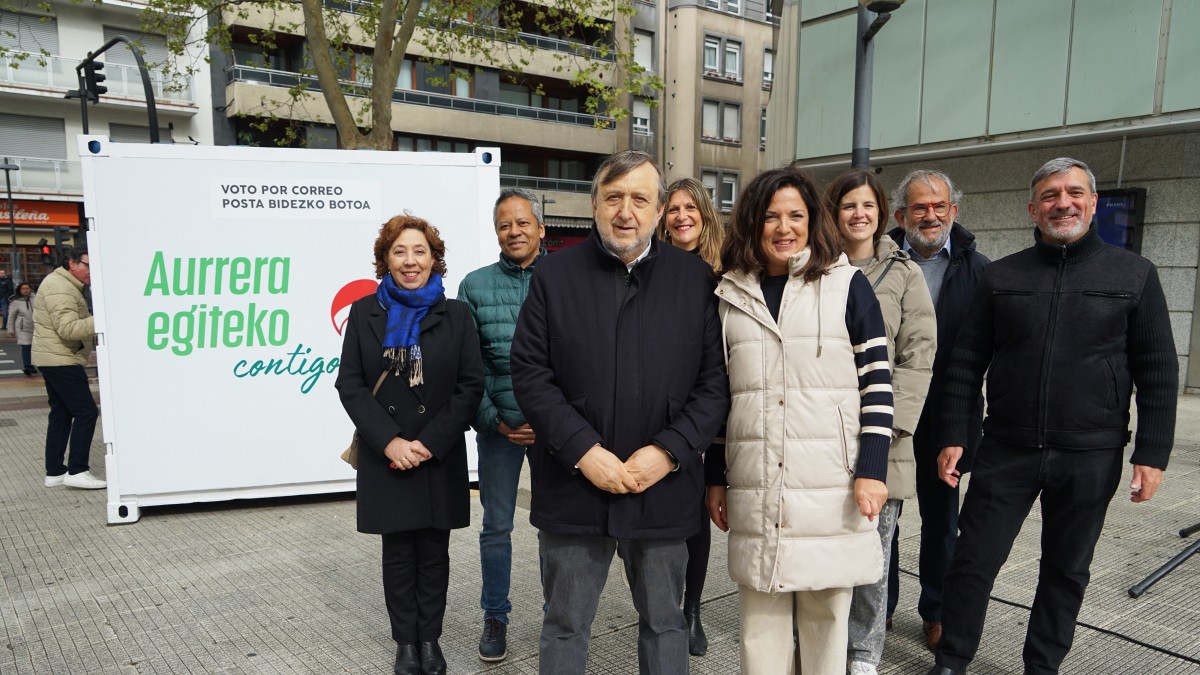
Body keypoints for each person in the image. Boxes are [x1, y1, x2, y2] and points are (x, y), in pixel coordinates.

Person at [926, 158, 1179, 675]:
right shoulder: (1002, 275)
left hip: (1091, 453)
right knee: (972, 562)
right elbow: (964, 363)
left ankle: (1042, 667)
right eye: (1050, 195)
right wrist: (955, 432)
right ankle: (951, 661)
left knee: (1065, 570)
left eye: (1074, 193)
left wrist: (1151, 453)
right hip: (1005, 449)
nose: (1063, 202)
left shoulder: (1134, 275)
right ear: (1033, 208)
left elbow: (1158, 370)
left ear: (1092, 201)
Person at [510, 150, 729, 675]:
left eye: (639, 198)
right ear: (594, 205)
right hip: (574, 487)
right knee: (564, 626)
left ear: (658, 211)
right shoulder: (554, 274)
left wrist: (668, 452)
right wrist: (585, 453)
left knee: (665, 624)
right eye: (614, 197)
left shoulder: (694, 280)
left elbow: (715, 385)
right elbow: (530, 374)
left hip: (663, 488)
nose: (625, 211)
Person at [707, 167, 893, 674]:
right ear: (752, 222)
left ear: (814, 222)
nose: (783, 227)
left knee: (827, 622)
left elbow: (878, 382)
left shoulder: (846, 285)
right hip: (757, 481)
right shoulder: (730, 295)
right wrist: (716, 477)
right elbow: (723, 395)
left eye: (796, 215)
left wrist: (872, 468)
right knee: (760, 632)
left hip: (831, 483)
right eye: (771, 216)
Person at [335, 215, 484, 675]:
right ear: (385, 261)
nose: (410, 260)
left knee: (434, 554)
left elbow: (470, 386)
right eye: (399, 251)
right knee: (399, 555)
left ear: (435, 259)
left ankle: (430, 640)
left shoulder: (456, 314)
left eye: (419, 251)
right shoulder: (365, 312)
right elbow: (352, 385)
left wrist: (428, 443)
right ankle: (406, 642)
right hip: (388, 456)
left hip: (437, 454)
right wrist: (392, 441)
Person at [827, 170, 936, 675]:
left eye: (867, 205)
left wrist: (889, 425)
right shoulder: (816, 268)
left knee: (873, 556)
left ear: (882, 213)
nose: (858, 214)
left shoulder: (904, 273)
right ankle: (824, 640)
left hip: (883, 437)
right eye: (848, 205)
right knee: (825, 550)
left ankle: (864, 653)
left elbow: (917, 357)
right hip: (822, 434)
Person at [886, 169, 988, 651]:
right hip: (886, 412)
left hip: (949, 415)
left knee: (942, 518)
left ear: (954, 211)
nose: (930, 215)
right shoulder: (875, 262)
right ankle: (878, 607)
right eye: (919, 207)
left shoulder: (979, 269)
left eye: (939, 206)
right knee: (881, 515)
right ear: (900, 214)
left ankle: (937, 610)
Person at [457, 187, 546, 663]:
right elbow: (468, 369)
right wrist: (495, 420)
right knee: (496, 527)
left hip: (557, 433)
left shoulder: (566, 277)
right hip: (500, 431)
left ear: (541, 228)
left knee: (558, 529)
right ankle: (495, 616)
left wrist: (556, 421)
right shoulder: (475, 285)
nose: (513, 232)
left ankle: (559, 615)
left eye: (522, 223)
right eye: (504, 225)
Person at [656, 177, 724, 656]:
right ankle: (663, 607)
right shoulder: (654, 267)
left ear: (705, 213)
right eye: (673, 209)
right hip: (668, 403)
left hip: (714, 402)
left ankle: (692, 609)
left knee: (699, 512)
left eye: (689, 208)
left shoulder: (728, 269)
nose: (681, 216)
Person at [34, 247, 104, 489]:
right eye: (87, 264)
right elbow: (68, 328)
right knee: (86, 412)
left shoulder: (62, 284)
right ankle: (77, 470)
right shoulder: (61, 287)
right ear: (72, 263)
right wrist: (103, 317)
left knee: (61, 414)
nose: (91, 271)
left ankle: (55, 471)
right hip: (61, 358)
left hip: (54, 357)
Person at [8, 281, 37, 376]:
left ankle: (32, 365)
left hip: (36, 327)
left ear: (30, 289)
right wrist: (10, 329)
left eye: (27, 288)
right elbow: (11, 317)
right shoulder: (15, 302)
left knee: (35, 348)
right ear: (19, 290)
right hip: (22, 328)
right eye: (23, 288)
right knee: (26, 346)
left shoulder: (35, 298)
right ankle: (27, 366)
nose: (25, 290)